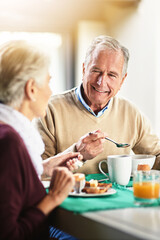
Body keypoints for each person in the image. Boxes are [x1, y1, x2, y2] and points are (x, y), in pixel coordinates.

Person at [34, 35, 160, 174]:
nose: (101, 82)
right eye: (96, 71)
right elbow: (38, 173)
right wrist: (77, 152)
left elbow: (156, 156)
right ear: (84, 70)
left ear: (122, 80)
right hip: (69, 195)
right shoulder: (49, 110)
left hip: (119, 195)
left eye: (112, 75)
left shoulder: (131, 114)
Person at [0, 40, 81, 240]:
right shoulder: (9, 141)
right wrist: (52, 198)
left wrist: (44, 167)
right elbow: (9, 235)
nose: (51, 91)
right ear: (32, 89)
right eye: (48, 81)